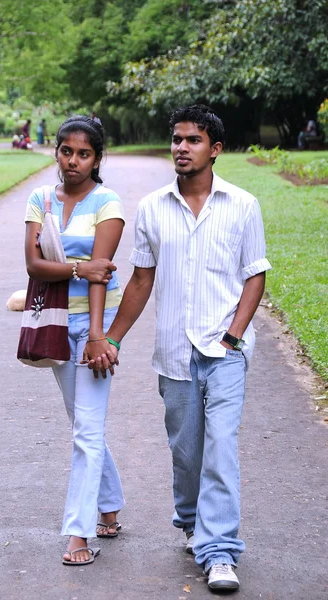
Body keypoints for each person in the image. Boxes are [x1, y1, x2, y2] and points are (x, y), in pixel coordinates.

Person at [88, 104, 272, 591]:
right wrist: (111, 337)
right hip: (174, 353)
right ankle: (193, 522)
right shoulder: (152, 208)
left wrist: (233, 336)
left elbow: (256, 275)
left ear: (215, 149)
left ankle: (221, 551)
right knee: (187, 452)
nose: (181, 148)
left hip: (225, 351)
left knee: (220, 449)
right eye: (176, 139)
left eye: (192, 140)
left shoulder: (242, 205)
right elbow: (141, 281)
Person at [24, 115, 125, 566]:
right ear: (57, 152)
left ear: (97, 159)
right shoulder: (40, 198)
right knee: (83, 424)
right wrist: (80, 268)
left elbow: (103, 275)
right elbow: (32, 265)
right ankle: (109, 506)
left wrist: (99, 337)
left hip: (92, 327)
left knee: (86, 431)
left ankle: (78, 536)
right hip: (55, 323)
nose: (73, 160)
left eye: (84, 153)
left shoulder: (109, 204)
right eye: (67, 151)